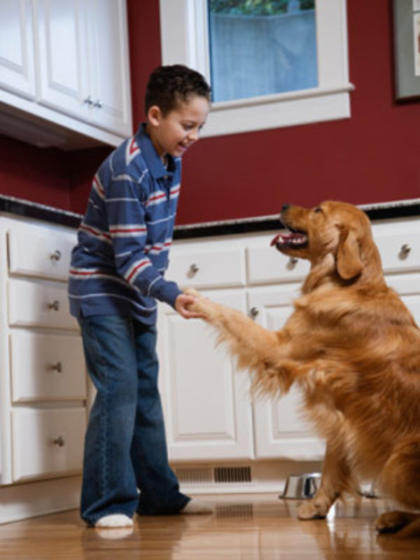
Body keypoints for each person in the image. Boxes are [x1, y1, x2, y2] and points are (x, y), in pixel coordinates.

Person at [68, 64, 212, 528]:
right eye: (187, 125)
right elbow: (129, 257)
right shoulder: (128, 170)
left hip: (137, 292)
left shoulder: (171, 159)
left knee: (145, 391)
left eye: (199, 127)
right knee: (119, 390)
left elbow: (153, 245)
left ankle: (159, 495)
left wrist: (156, 291)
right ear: (154, 115)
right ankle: (106, 503)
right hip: (101, 289)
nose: (193, 136)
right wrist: (170, 293)